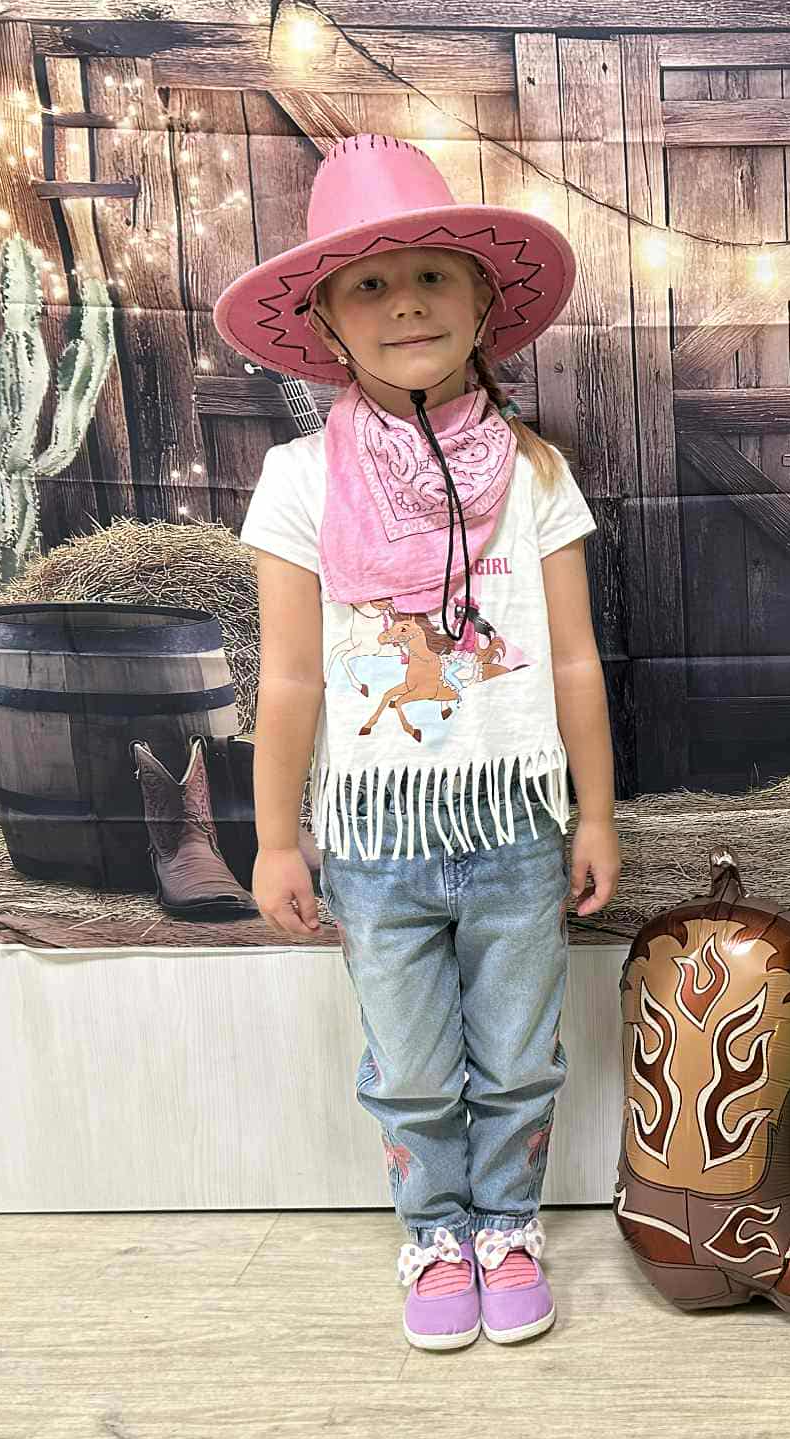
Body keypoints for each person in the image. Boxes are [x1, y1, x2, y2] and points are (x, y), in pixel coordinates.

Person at [213, 133, 619, 1352]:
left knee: (518, 1058)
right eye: (370, 286)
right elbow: (290, 678)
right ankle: (434, 1233)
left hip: (514, 827)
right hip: (378, 843)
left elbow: (574, 660)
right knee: (410, 1065)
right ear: (327, 324)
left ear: (482, 304)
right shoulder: (296, 481)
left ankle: (507, 1226)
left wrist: (595, 814)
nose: (405, 305)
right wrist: (273, 839)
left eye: (432, 276)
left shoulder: (534, 476)